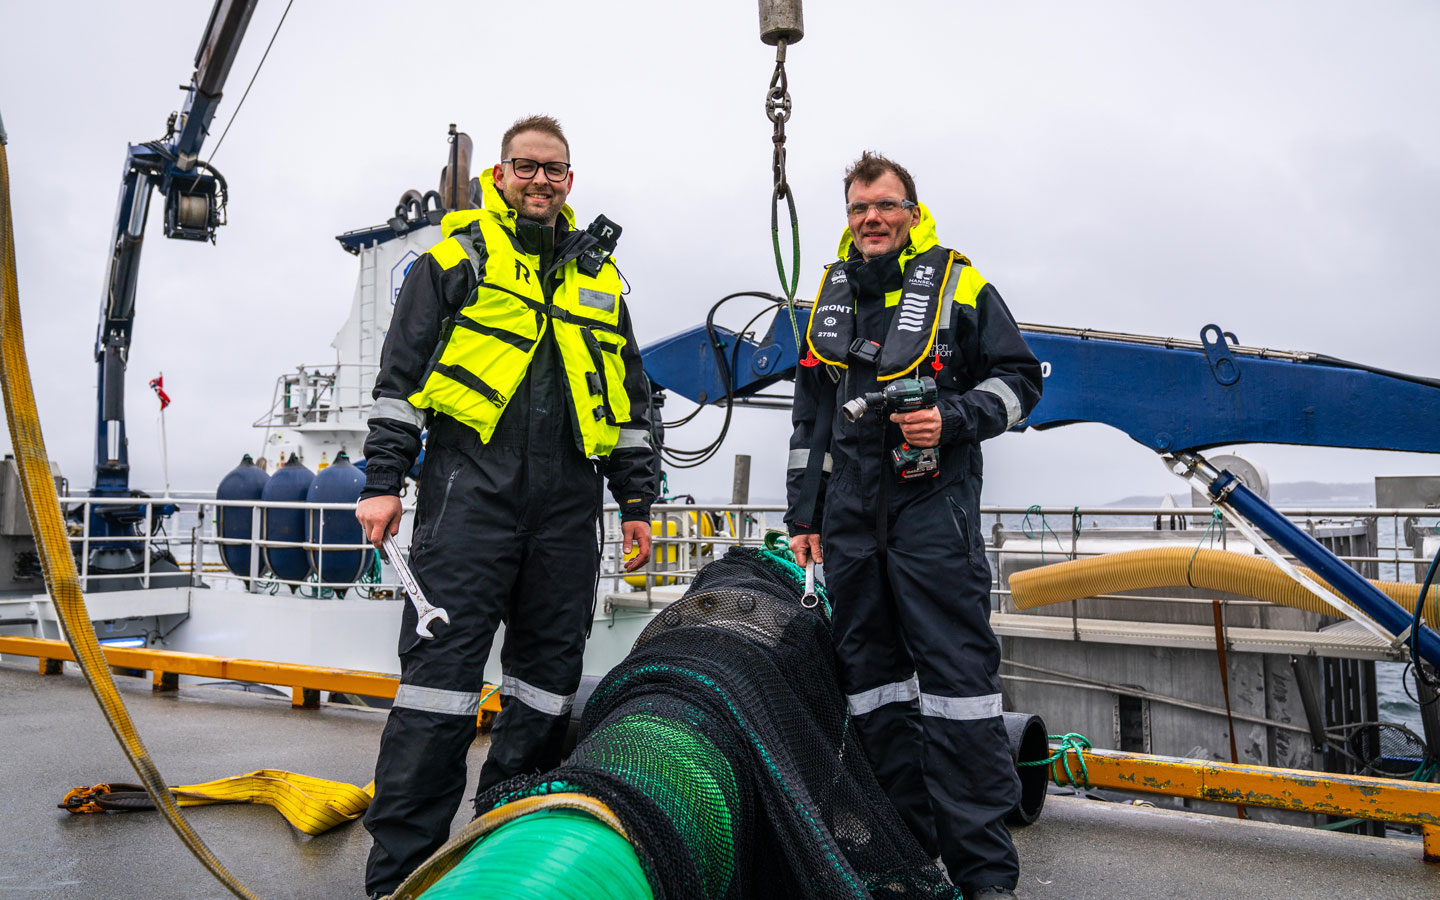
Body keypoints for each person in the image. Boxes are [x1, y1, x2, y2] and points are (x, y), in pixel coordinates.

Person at [355, 114, 657, 897]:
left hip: (567, 508)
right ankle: (399, 879)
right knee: (438, 693)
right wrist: (383, 484)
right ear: (500, 172)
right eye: (527, 167)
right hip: (468, 499)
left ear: (569, 181)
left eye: (555, 170)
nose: (541, 181)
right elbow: (399, 384)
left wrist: (635, 503)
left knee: (546, 690)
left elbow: (627, 403)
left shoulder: (600, 281)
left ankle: (507, 857)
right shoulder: (455, 260)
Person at [785, 152, 1042, 900]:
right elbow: (811, 422)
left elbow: (1020, 381)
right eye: (861, 207)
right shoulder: (826, 306)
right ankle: (902, 862)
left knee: (960, 698)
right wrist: (806, 513)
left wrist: (953, 418)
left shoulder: (961, 287)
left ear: (912, 210)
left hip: (935, 517)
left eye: (887, 205)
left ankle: (984, 879)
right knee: (873, 692)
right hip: (852, 527)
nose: (873, 218)